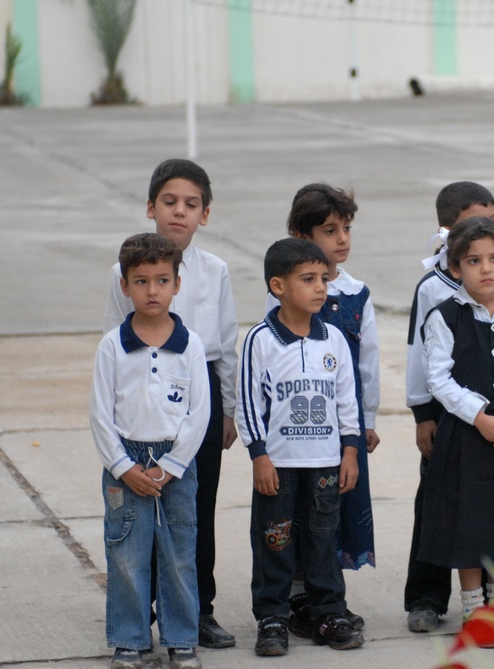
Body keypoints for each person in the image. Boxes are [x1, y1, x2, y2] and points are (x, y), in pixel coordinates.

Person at [104, 159, 239, 648]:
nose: (178, 212)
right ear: (150, 207)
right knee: (138, 514)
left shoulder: (215, 270)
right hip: (140, 400)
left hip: (198, 399)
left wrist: (228, 411)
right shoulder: (124, 271)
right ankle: (140, 614)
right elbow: (114, 345)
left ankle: (197, 610)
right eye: (169, 202)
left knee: (194, 511)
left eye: (191, 204)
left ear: (205, 214)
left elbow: (225, 345)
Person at [418, 217, 494, 645]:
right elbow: (439, 379)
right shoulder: (445, 316)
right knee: (468, 523)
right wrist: (480, 416)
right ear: (455, 268)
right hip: (467, 436)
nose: (485, 269)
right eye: (474, 261)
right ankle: (474, 608)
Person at [238, 238, 365, 656]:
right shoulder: (261, 340)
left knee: (323, 538)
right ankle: (272, 616)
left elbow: (347, 399)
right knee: (275, 539)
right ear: (278, 285)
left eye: (323, 279)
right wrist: (260, 456)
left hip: (326, 461)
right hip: (279, 464)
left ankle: (328, 610)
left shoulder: (334, 341)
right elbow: (248, 404)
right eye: (307, 279)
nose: (320, 288)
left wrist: (350, 451)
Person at [90, 233, 209, 669]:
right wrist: (124, 468)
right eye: (141, 281)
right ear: (125, 286)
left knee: (179, 553)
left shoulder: (191, 345)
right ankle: (129, 640)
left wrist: (171, 466)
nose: (152, 290)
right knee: (126, 555)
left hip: (175, 465)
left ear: (177, 283)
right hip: (124, 464)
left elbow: (199, 414)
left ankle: (181, 638)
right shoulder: (112, 346)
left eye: (162, 280)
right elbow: (100, 415)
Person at [403, 181, 494, 633]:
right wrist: (421, 414)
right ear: (450, 233)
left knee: (489, 507)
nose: (487, 231)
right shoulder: (432, 288)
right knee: (437, 504)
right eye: (476, 224)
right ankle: (426, 597)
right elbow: (418, 355)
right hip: (447, 416)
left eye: (492, 222)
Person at [265, 183, 379, 634]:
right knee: (292, 514)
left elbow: (367, 365)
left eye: (346, 228)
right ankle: (296, 598)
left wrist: (366, 422)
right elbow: (268, 367)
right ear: (301, 234)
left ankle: (327, 598)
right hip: (294, 435)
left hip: (340, 432)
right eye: (330, 230)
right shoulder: (284, 293)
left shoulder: (357, 294)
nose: (342, 239)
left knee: (331, 514)